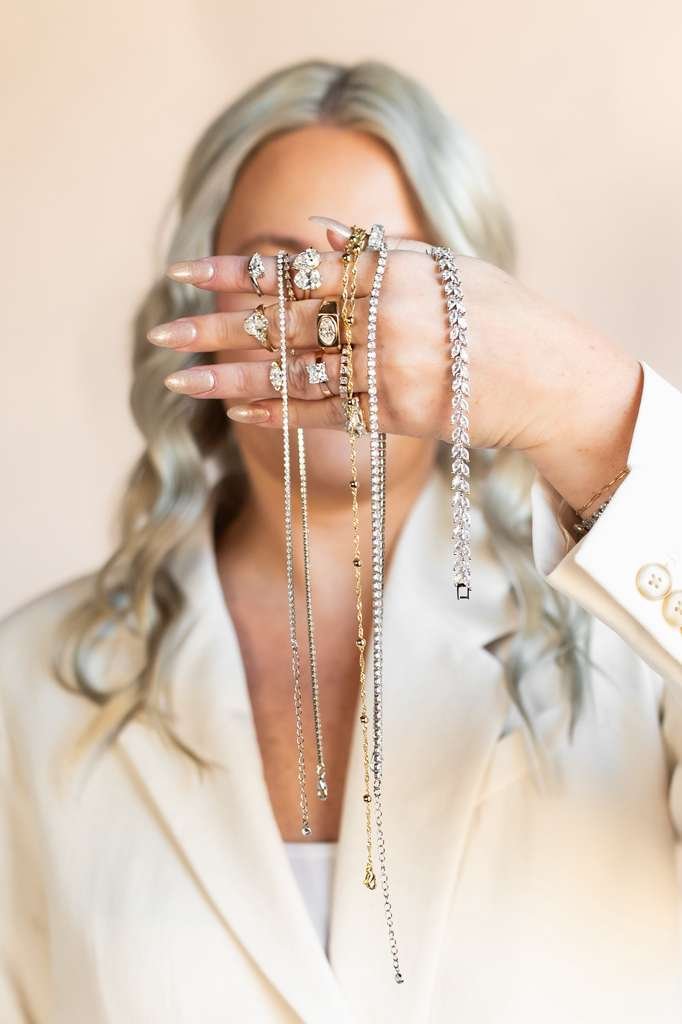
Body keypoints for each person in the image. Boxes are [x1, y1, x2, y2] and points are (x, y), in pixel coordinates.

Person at [1, 60, 680, 1024]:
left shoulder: (638, 651)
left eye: (387, 286)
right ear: (193, 320)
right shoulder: (26, 691)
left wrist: (581, 399)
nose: (337, 335)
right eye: (281, 275)